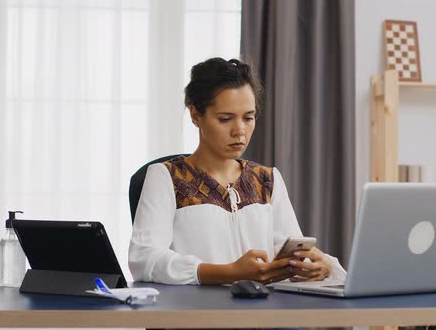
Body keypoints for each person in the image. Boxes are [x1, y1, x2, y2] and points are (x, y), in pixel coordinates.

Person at [128, 57, 346, 285]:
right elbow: (143, 259)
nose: (240, 131)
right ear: (195, 115)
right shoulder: (166, 178)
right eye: (225, 119)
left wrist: (323, 267)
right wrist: (230, 272)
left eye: (249, 118)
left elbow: (292, 257)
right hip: (196, 316)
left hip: (263, 316)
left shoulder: (268, 179)